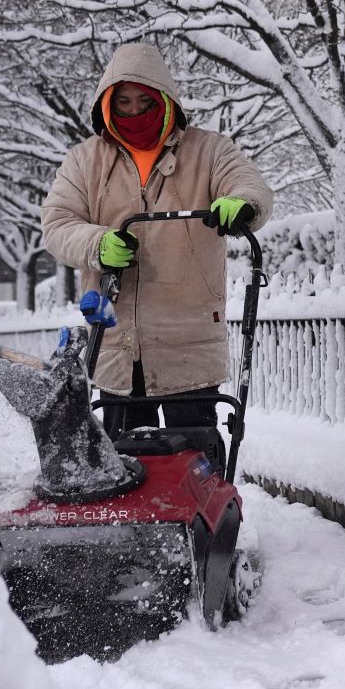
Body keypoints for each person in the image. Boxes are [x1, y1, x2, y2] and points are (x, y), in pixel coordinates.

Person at [42, 41, 273, 437]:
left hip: (190, 341)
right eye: (124, 103)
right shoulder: (86, 161)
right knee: (127, 469)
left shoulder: (209, 151)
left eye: (144, 102)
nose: (134, 112)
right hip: (116, 343)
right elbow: (58, 223)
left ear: (165, 100)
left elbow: (249, 184)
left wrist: (243, 203)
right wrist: (97, 244)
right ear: (107, 107)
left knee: (195, 464)